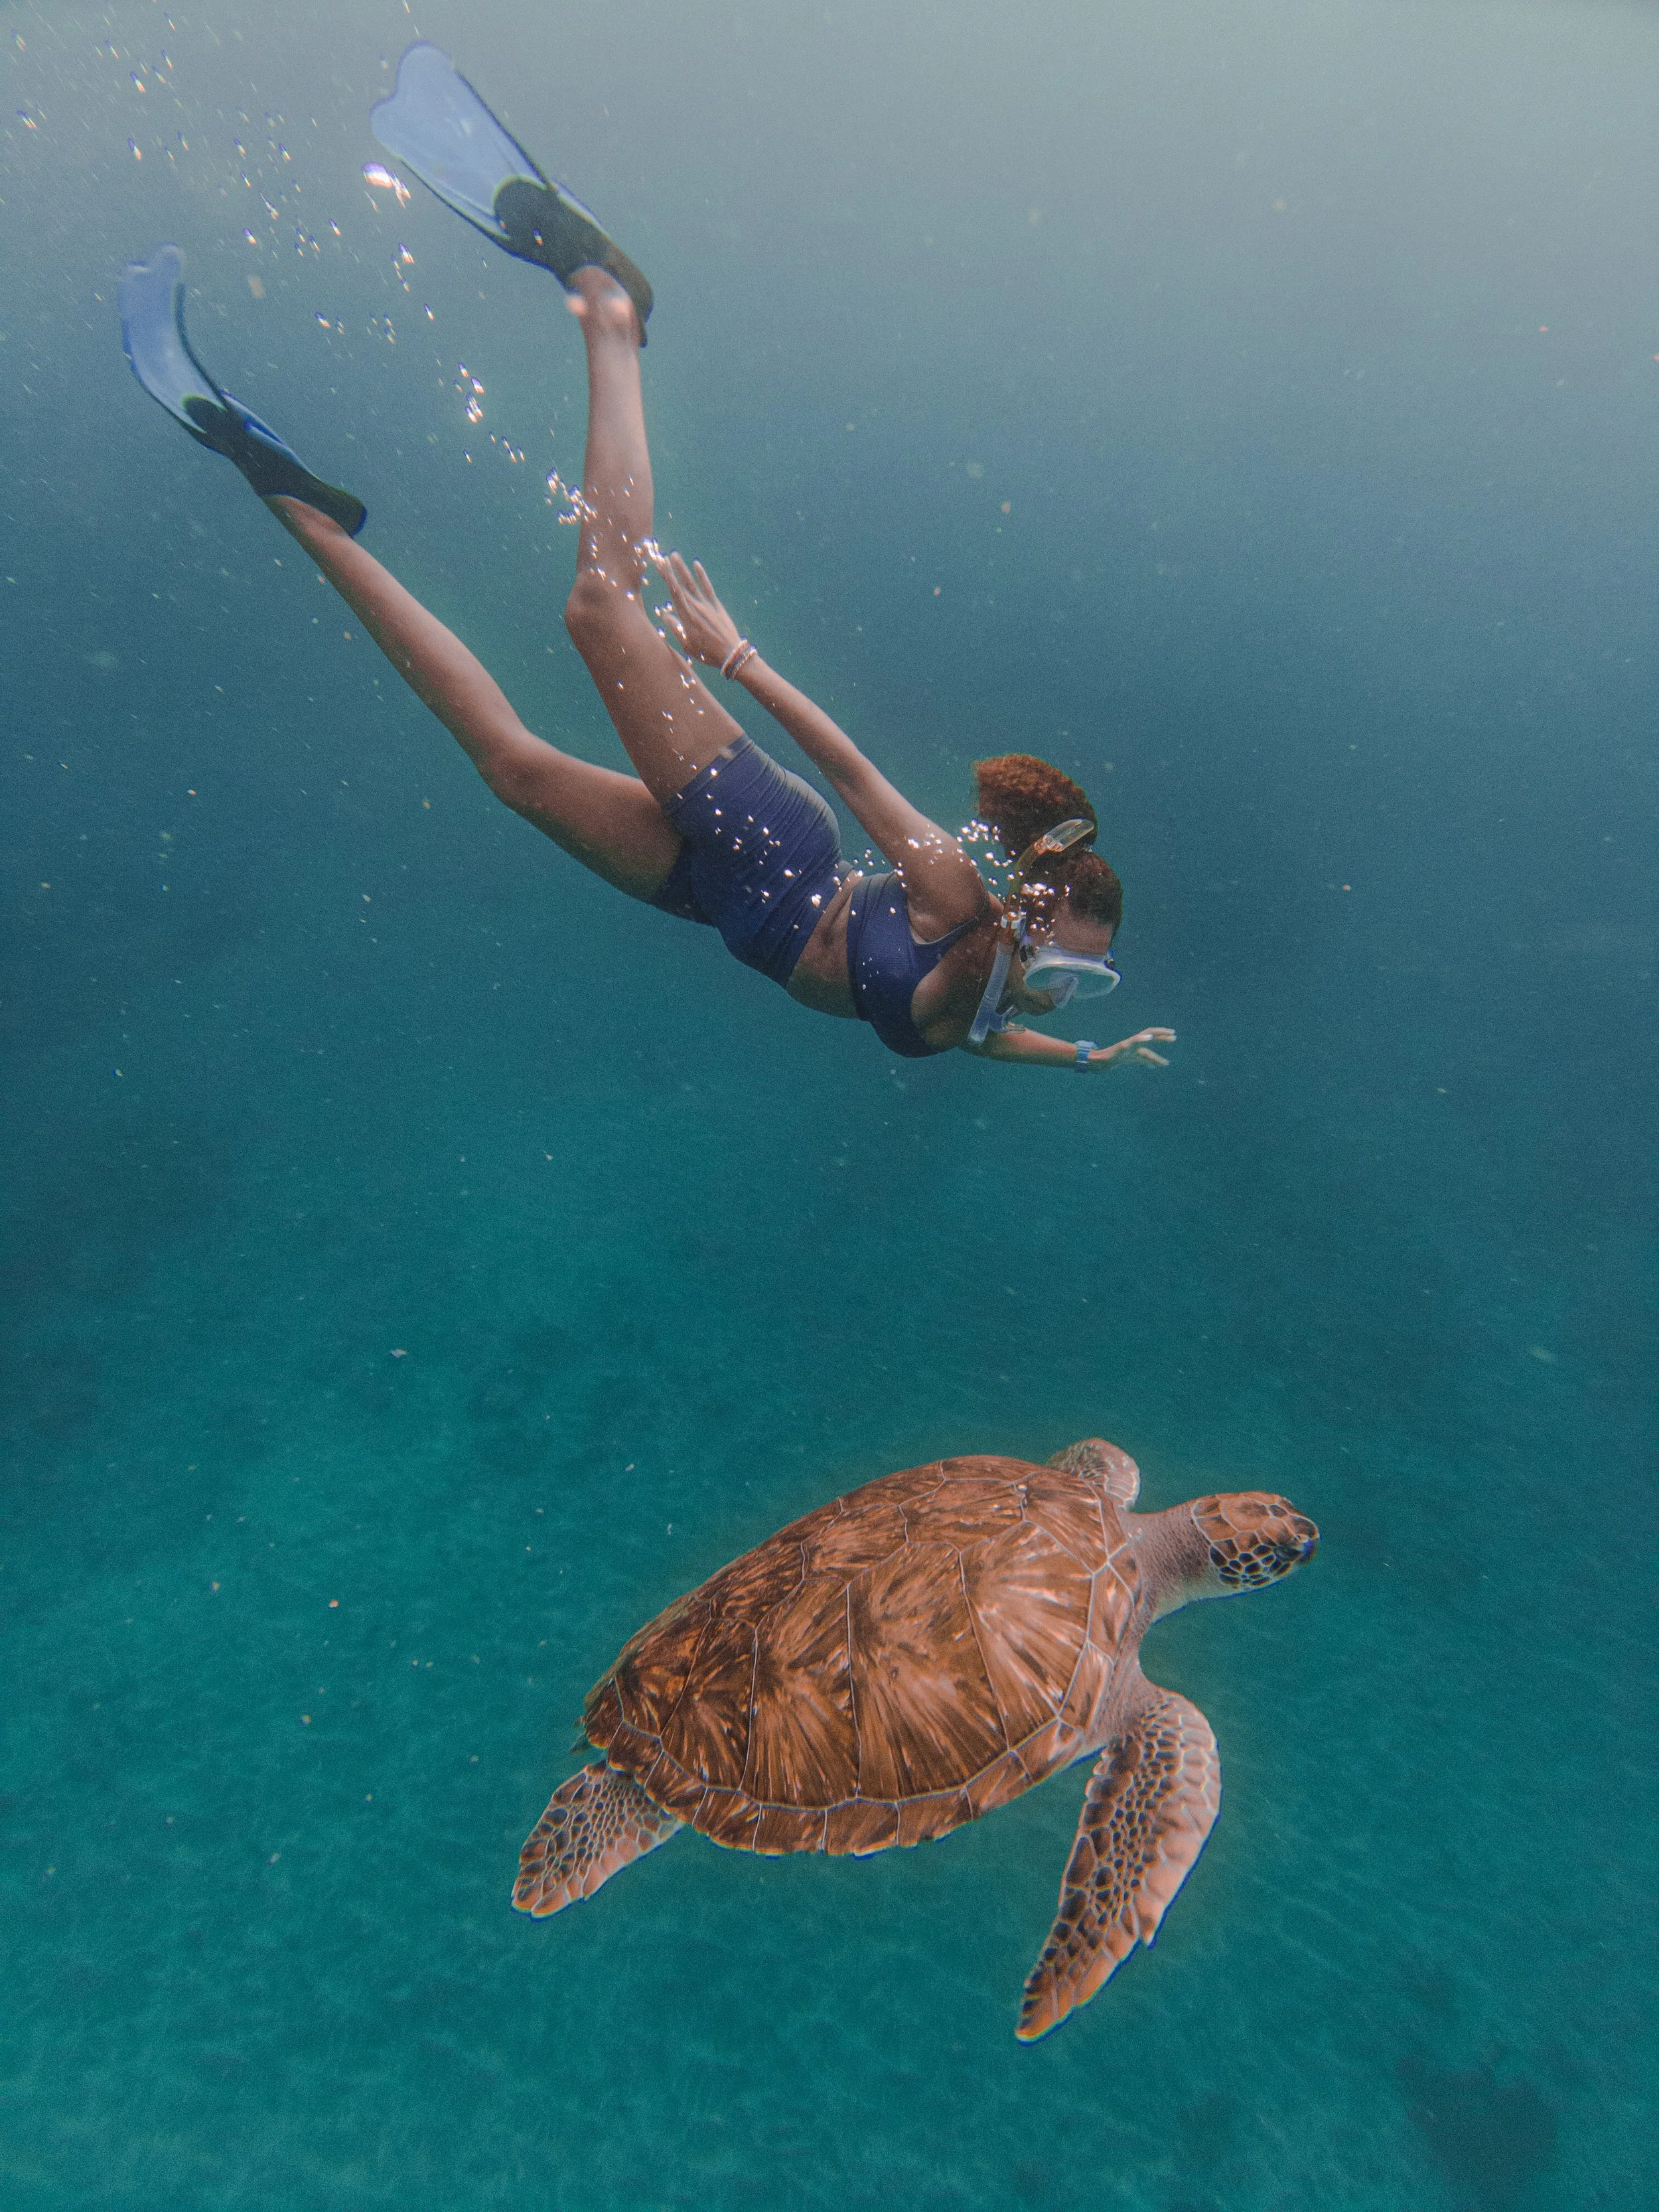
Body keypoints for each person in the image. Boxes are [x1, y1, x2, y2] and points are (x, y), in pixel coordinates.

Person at [119, 41, 1174, 1076]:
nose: (1062, 988)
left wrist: (1087, 1055)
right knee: (597, 607)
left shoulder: (987, 1008)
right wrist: (737, 657)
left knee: (512, 769)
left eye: (1088, 984)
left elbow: (1000, 1038)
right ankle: (611, 313)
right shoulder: (951, 893)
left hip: (723, 902)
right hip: (780, 856)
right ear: (1030, 918)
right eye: (1073, 972)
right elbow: (853, 772)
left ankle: (299, 506)